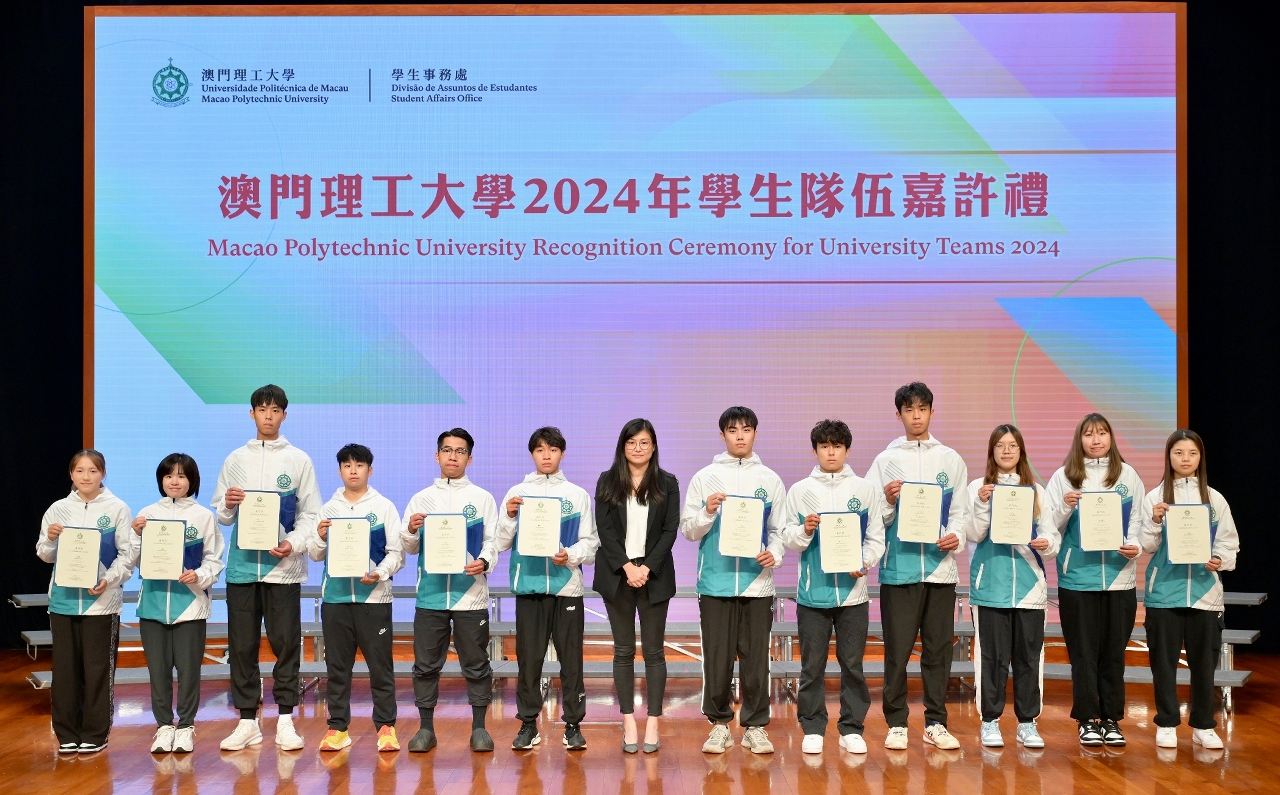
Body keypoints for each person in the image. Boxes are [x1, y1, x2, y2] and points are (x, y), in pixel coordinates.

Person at [212, 384, 322, 752]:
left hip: (283, 569)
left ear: (284, 415)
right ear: (252, 414)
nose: (268, 416)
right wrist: (228, 504)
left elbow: (310, 514)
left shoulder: (299, 460)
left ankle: (286, 720)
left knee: (286, 644)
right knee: (242, 646)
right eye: (262, 409)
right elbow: (223, 515)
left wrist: (294, 543)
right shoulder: (235, 460)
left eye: (275, 410)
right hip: (243, 569)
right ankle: (247, 721)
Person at [865, 382, 969, 751]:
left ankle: (936, 722)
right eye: (909, 410)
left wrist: (957, 536)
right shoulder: (885, 461)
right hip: (900, 570)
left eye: (922, 409)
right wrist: (889, 501)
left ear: (932, 412)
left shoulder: (951, 460)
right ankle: (896, 722)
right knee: (897, 651)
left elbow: (961, 514)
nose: (916, 416)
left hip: (940, 572)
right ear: (899, 415)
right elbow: (872, 518)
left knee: (938, 650)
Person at [680, 406, 786, 755]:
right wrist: (707, 511)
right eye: (732, 430)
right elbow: (689, 530)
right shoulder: (704, 478)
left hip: (758, 585)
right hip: (715, 584)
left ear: (755, 433)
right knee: (717, 659)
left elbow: (779, 531)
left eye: (746, 429)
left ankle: (755, 727)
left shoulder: (770, 480)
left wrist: (775, 554)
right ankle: (719, 725)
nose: (740, 436)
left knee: (756, 661)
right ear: (722, 435)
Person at [779, 419, 885, 756]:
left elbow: (876, 539)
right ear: (815, 451)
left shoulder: (865, 490)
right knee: (812, 666)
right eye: (824, 446)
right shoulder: (799, 491)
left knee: (853, 665)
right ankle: (812, 726)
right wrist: (805, 530)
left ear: (847, 450)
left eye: (837, 446)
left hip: (853, 595)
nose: (831, 452)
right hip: (813, 595)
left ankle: (852, 728)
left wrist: (864, 562)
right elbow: (788, 537)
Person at [493, 427, 599, 751]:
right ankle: (528, 724)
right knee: (529, 661)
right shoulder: (517, 493)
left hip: (567, 588)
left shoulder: (577, 495)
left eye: (552, 449)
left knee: (572, 661)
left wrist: (570, 555)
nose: (546, 455)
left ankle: (573, 725)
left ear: (562, 453)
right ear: (532, 455)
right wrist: (510, 516)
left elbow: (591, 545)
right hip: (529, 587)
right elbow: (500, 542)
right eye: (540, 450)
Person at [1044, 412, 1145, 747]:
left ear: (1111, 438)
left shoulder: (1128, 475)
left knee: (1113, 654)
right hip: (1077, 580)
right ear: (1080, 440)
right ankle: (1087, 719)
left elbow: (1138, 523)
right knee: (1083, 655)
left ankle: (1111, 719)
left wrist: (1135, 547)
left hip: (1120, 579)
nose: (1096, 439)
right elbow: (1049, 527)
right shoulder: (1064, 477)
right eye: (1089, 434)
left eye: (1102, 433)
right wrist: (1065, 507)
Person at [1136, 430, 1239, 750]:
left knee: (1204, 666)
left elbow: (1229, 543)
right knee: (1163, 664)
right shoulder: (1155, 498)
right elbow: (1145, 545)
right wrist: (1154, 521)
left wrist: (1219, 560)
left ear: (1200, 458)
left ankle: (1204, 725)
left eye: (1192, 453)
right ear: (1168, 457)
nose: (1185, 459)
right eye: (1178, 453)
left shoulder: (1215, 499)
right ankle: (1167, 723)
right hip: (1164, 594)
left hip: (1205, 595)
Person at [400, 428, 500, 753]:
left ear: (470, 458)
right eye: (447, 450)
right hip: (430, 596)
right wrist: (410, 530)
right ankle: (426, 729)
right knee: (426, 665)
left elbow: (493, 541)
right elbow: (409, 546)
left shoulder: (482, 498)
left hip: (471, 596)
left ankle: (480, 728)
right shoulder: (420, 499)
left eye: (460, 451)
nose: (452, 456)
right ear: (437, 456)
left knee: (477, 664)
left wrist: (484, 561)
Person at [965, 425, 1059, 749]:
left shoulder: (1036, 491)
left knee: (1029, 657)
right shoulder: (978, 487)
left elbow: (1051, 536)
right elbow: (972, 533)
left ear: (1021, 451)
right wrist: (981, 504)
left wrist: (1047, 543)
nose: (1006, 451)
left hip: (1030, 589)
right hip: (990, 585)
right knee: (991, 657)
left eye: (1013, 446)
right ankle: (989, 721)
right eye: (1000, 446)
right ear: (991, 451)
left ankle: (1027, 723)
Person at [35, 449, 135, 754]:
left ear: (103, 474)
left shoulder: (117, 508)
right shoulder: (58, 509)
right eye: (80, 470)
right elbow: (44, 554)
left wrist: (108, 580)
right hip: (63, 601)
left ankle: (95, 732)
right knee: (65, 670)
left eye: (93, 470)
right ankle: (66, 733)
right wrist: (51, 538)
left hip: (101, 602)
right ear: (71, 474)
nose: (86, 476)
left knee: (97, 669)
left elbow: (128, 555)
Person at [306, 444, 405, 752]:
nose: (353, 470)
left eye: (359, 465)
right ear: (339, 471)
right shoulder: (328, 509)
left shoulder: (384, 507)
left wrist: (380, 573)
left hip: (374, 599)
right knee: (337, 667)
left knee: (380, 667)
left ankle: (386, 727)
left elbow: (397, 554)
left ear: (369, 470)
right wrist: (320, 536)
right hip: (335, 600)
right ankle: (337, 728)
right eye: (347, 465)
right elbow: (314, 553)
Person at [593, 419, 680, 754]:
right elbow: (604, 529)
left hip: (654, 575)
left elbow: (669, 531)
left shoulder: (667, 482)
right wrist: (628, 566)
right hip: (617, 574)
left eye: (644, 442)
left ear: (653, 446)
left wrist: (645, 567)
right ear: (623, 446)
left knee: (654, 652)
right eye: (631, 442)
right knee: (623, 650)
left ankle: (653, 721)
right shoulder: (607, 480)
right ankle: (628, 720)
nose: (638, 448)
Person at [131, 453, 226, 754]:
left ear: (192, 481)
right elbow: (133, 559)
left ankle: (185, 727)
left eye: (182, 476)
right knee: (158, 672)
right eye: (169, 475)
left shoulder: (203, 516)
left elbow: (214, 559)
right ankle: (163, 727)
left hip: (191, 606)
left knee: (188, 671)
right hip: (153, 605)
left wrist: (199, 575)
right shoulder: (147, 514)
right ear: (161, 480)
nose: (175, 481)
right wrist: (135, 535)